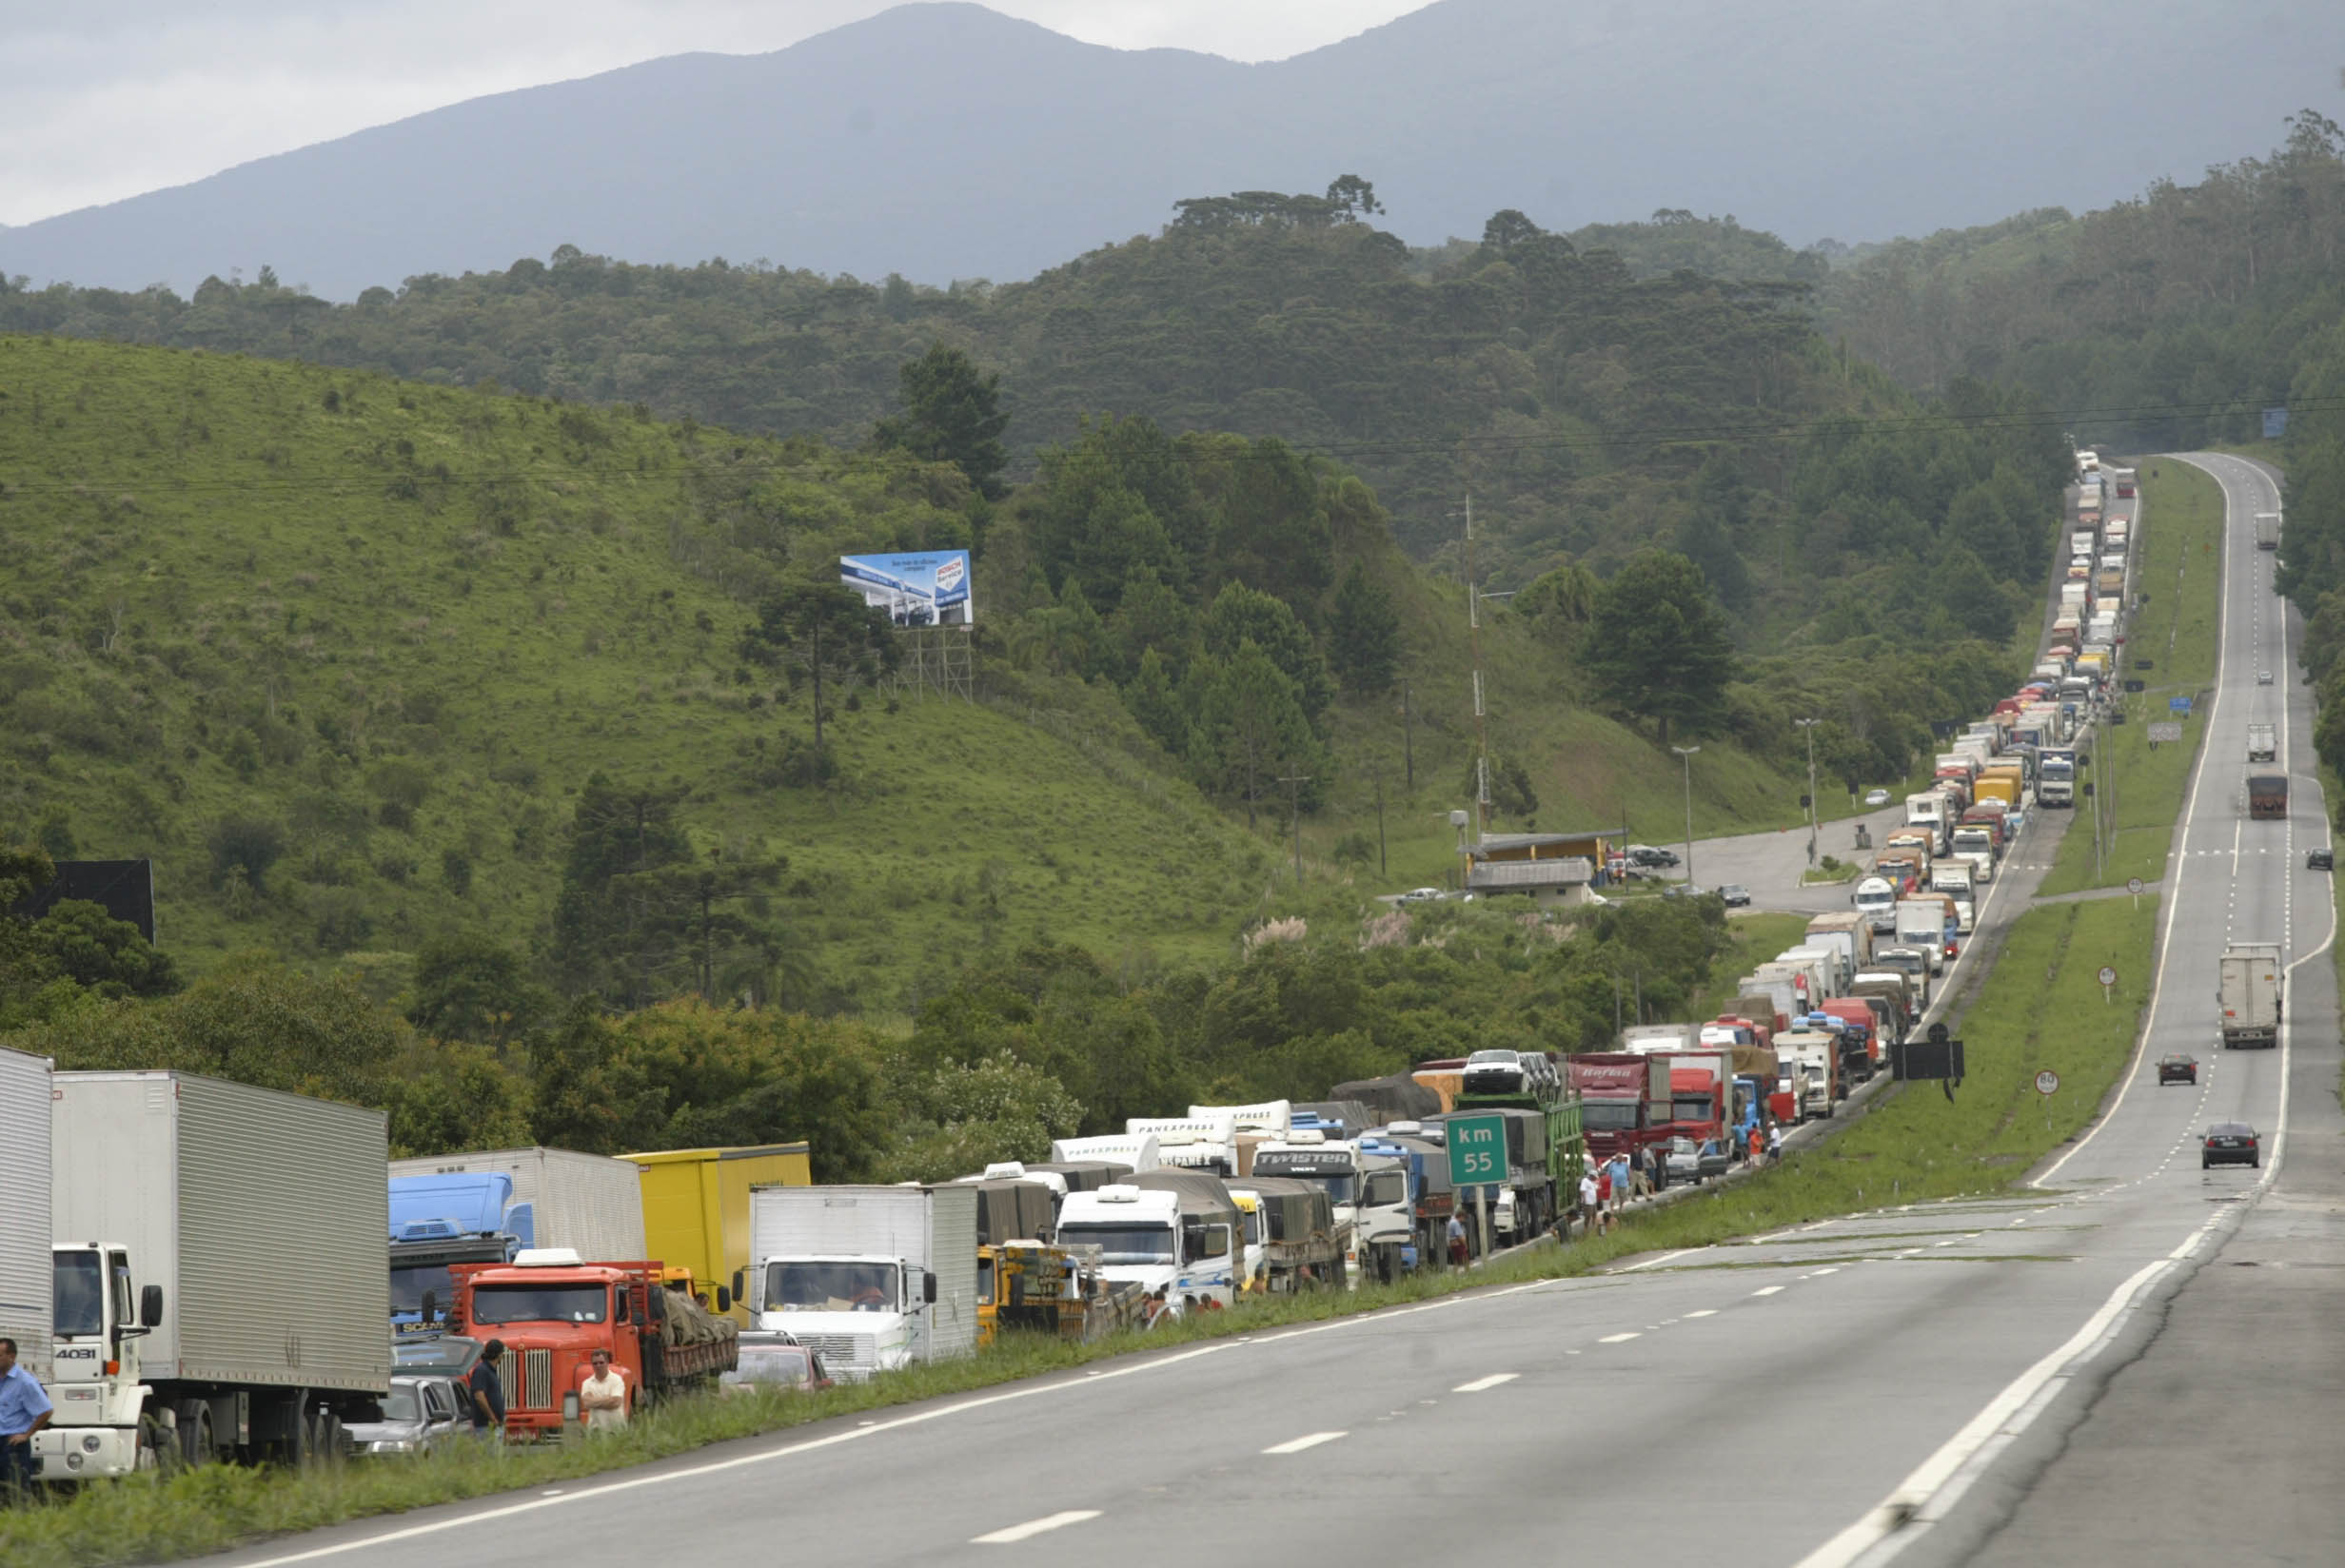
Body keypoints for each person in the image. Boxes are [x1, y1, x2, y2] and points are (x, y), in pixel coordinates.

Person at [0, 1337, 52, 1499]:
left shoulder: (25, 1382)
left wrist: (26, 1435)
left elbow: (46, 1410)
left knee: (16, 1492)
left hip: (12, 1444)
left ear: (12, 1356)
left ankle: (20, 1519)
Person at [578, 1348, 628, 1432]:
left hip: (616, 1430)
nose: (598, 1366)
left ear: (607, 1363)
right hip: (595, 1431)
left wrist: (594, 1401)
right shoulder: (587, 1383)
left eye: (601, 1362)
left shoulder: (617, 1380)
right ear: (592, 1365)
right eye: (595, 1363)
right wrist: (608, 1399)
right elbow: (587, 1403)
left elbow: (616, 1402)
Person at [467, 1339, 506, 1441]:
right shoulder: (482, 1370)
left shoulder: (490, 1371)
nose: (503, 1355)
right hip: (486, 1426)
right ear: (498, 1354)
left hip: (494, 1426)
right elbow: (479, 1396)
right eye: (503, 1352)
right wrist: (493, 1419)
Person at [1577, 1168, 1599, 1236]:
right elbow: (1582, 1190)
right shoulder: (1585, 1181)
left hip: (1593, 1201)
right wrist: (1584, 1199)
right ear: (1591, 1176)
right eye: (1595, 1177)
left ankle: (1594, 1227)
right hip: (1588, 1202)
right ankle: (1585, 1228)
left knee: (1594, 1214)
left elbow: (1595, 1188)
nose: (1596, 1179)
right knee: (1588, 1216)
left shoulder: (1593, 1182)